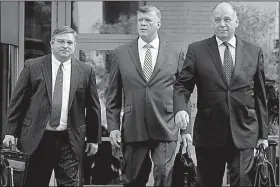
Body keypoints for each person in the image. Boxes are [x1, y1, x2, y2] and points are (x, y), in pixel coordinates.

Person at [173, 2, 269, 187]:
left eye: (227, 19)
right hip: (209, 135)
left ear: (236, 21)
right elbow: (182, 87)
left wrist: (263, 135)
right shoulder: (197, 50)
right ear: (212, 23)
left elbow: (260, 95)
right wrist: (180, 110)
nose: (222, 24)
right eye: (217, 20)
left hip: (244, 133)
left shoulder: (253, 52)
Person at [2, 26, 102, 187]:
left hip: (69, 139)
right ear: (52, 43)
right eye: (60, 41)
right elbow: (18, 102)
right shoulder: (33, 66)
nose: (65, 45)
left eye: (69, 42)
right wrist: (10, 132)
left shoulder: (85, 71)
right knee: (35, 182)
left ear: (74, 45)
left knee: (70, 183)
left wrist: (93, 139)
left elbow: (93, 107)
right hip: (38, 138)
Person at [106, 5, 186, 187]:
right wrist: (113, 126)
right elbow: (113, 94)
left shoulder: (175, 52)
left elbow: (182, 92)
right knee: (132, 180)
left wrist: (186, 130)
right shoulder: (120, 54)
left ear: (158, 23)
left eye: (147, 20)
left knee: (163, 176)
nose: (142, 24)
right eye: (139, 20)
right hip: (133, 126)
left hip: (167, 125)